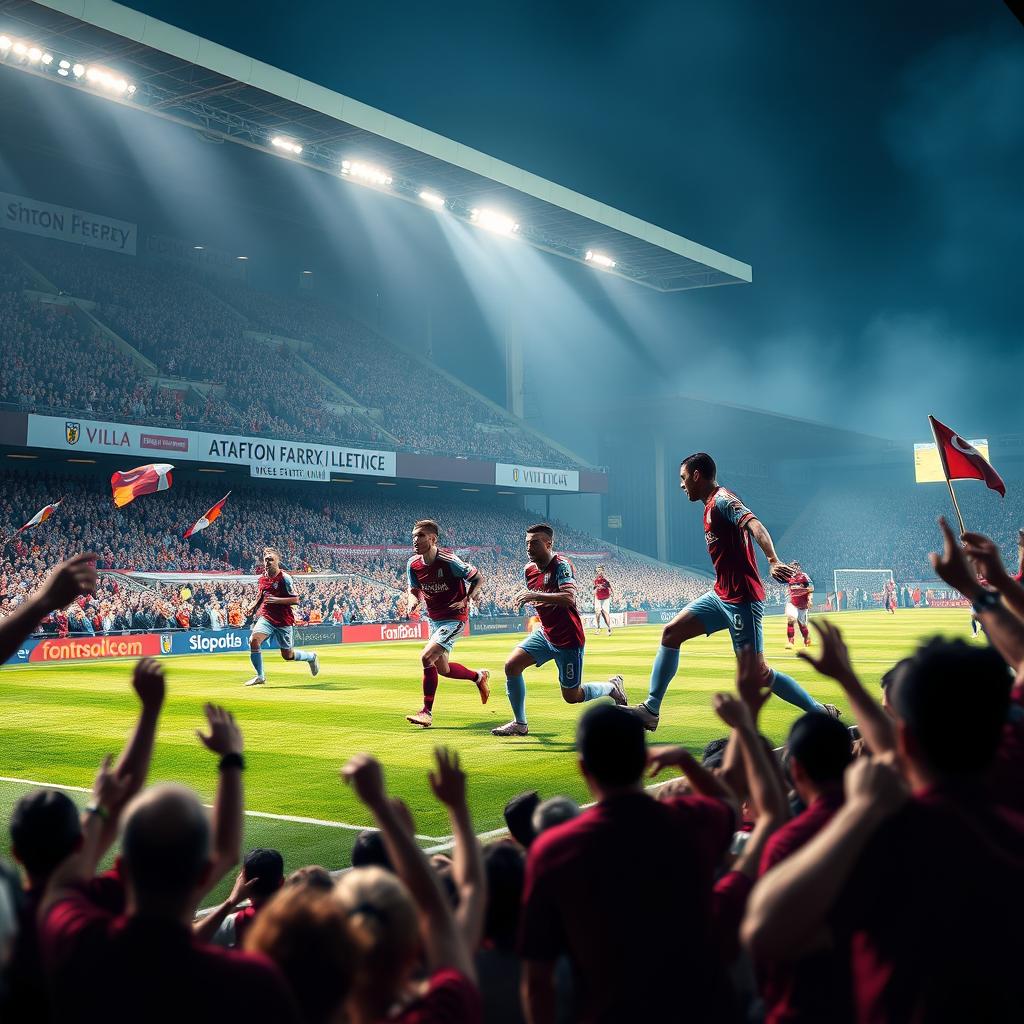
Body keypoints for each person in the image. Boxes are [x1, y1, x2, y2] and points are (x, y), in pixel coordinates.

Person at [519, 703, 737, 1023]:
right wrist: (686, 762)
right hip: (704, 1008)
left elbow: (537, 981)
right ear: (643, 758)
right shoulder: (692, 820)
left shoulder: (554, 850)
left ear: (583, 767)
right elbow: (728, 803)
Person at [631, 453, 838, 732]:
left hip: (743, 600)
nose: (681, 485)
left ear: (696, 475)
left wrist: (773, 559)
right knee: (671, 632)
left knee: (758, 674)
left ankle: (818, 711)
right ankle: (651, 709)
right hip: (720, 596)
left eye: (683, 478)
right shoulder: (707, 507)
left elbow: (755, 525)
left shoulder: (723, 501)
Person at [492, 524, 626, 737]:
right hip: (545, 634)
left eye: (534, 543)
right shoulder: (528, 570)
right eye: (527, 543)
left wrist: (534, 596)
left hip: (568, 640)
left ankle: (611, 687)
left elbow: (568, 598)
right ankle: (520, 723)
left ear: (548, 544)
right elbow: (540, 599)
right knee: (512, 665)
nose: (529, 547)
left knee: (572, 696)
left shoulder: (562, 565)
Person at [403, 519, 490, 728]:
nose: (415, 539)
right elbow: (413, 589)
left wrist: (468, 597)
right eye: (414, 535)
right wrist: (413, 600)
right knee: (443, 669)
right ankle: (478, 677)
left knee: (426, 657)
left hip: (454, 619)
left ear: (432, 539)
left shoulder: (449, 560)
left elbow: (478, 578)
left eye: (421, 535)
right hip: (434, 620)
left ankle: (426, 712)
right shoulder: (413, 564)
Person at [243, 547, 319, 686]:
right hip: (267, 617)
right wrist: (253, 607)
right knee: (253, 640)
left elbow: (296, 600)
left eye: (271, 559)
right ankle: (260, 676)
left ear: (278, 561)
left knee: (287, 655)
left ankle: (311, 657)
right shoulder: (262, 578)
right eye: (266, 559)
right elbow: (261, 596)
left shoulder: (285, 578)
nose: (268, 562)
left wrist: (277, 600)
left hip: (283, 620)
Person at [784, 561, 813, 649]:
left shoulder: (803, 576)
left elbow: (811, 588)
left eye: (795, 567)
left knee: (802, 624)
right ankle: (790, 642)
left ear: (798, 568)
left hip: (802, 604)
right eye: (791, 567)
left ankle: (806, 638)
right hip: (792, 602)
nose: (793, 569)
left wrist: (809, 599)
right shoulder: (789, 578)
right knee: (790, 620)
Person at [592, 565, 613, 635]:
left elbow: (610, 588)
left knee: (605, 614)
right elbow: (594, 589)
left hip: (606, 598)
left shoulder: (606, 580)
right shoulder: (595, 580)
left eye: (600, 570)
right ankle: (598, 628)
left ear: (603, 571)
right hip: (598, 598)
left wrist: (612, 594)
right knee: (597, 613)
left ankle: (609, 628)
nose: (599, 572)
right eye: (597, 571)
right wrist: (593, 598)